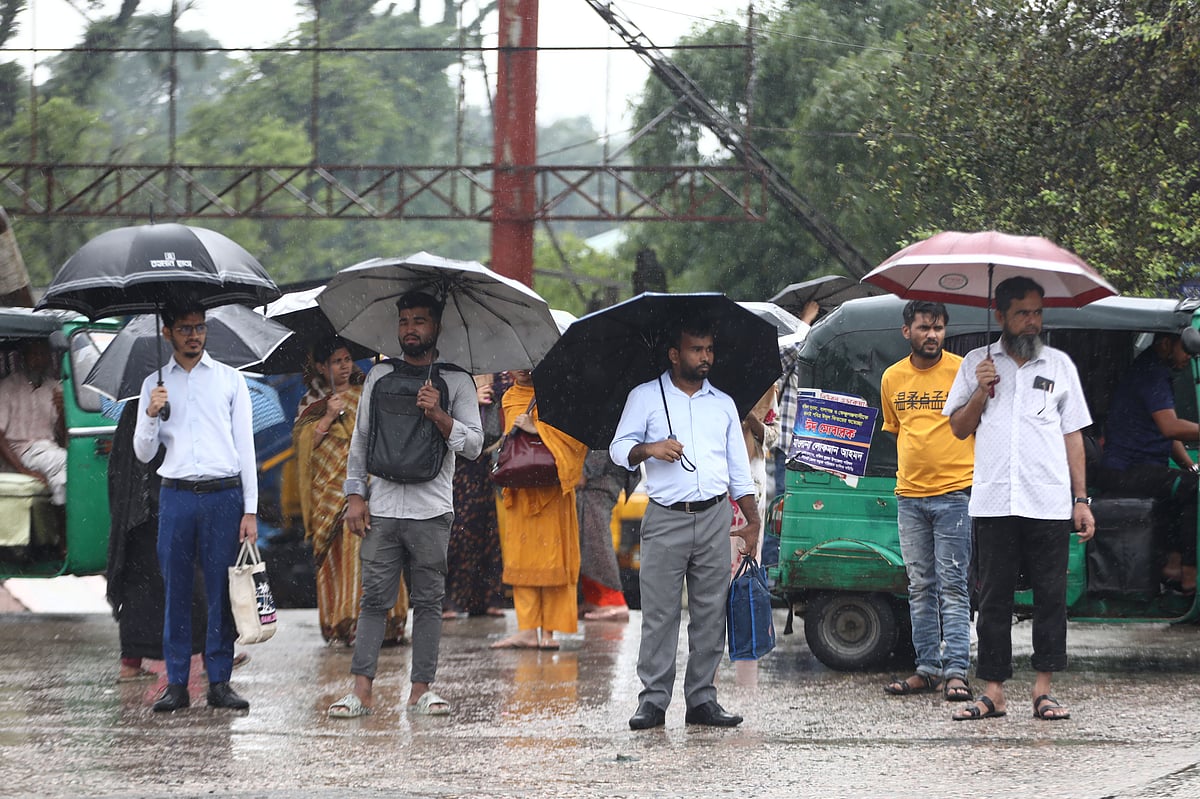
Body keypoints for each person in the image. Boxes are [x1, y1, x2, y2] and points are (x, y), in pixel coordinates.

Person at [944, 276, 1095, 722]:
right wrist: (979, 390)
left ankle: (1043, 691)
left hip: (1048, 502)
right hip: (993, 502)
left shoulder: (1059, 365)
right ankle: (993, 692)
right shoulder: (977, 362)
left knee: (1051, 598)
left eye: (1037, 313)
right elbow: (958, 427)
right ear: (1001, 316)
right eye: (1022, 313)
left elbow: (1073, 435)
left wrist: (1081, 499)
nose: (1032, 322)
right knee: (993, 600)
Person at [327, 291, 483, 718]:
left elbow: (474, 445)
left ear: (437, 328)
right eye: (404, 322)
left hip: (432, 510)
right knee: (373, 601)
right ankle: (361, 690)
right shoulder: (379, 376)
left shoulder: (457, 380)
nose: (410, 329)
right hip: (382, 507)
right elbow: (361, 439)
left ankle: (421, 691)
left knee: (429, 602)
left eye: (419, 321)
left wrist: (440, 415)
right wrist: (355, 494)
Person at [610, 317, 760, 729]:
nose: (706, 357)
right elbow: (618, 449)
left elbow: (737, 469)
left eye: (709, 349)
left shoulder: (723, 403)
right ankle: (653, 702)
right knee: (659, 613)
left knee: (711, 612)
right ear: (675, 355)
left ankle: (702, 700)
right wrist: (650, 448)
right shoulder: (644, 396)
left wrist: (752, 520)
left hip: (714, 515)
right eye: (696, 349)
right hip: (665, 517)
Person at [133, 301, 258, 713]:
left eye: (200, 328)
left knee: (222, 590)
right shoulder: (155, 383)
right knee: (177, 590)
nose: (194, 336)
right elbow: (142, 452)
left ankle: (220, 681)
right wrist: (151, 414)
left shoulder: (229, 380)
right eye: (185, 329)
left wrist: (250, 510)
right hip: (177, 496)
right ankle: (177, 684)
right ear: (167, 332)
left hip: (224, 496)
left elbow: (245, 447)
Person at [879, 300, 975, 702]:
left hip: (956, 494)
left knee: (953, 587)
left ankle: (956, 671)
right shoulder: (892, 377)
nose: (932, 335)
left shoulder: (961, 371)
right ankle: (926, 669)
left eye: (938, 328)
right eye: (923, 327)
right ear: (907, 332)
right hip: (910, 498)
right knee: (920, 587)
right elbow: (897, 429)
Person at [293, 336, 408, 646]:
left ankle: (386, 624)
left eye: (347, 360)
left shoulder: (366, 393)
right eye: (336, 361)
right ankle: (347, 622)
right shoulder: (311, 402)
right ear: (321, 366)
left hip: (369, 484)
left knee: (376, 549)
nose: (344, 366)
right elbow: (305, 450)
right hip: (328, 494)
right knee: (345, 554)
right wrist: (329, 416)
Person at [491, 369, 588, 649]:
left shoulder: (558, 394)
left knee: (553, 562)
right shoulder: (509, 397)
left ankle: (549, 632)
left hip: (552, 493)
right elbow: (510, 440)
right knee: (523, 563)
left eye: (528, 362)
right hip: (521, 491)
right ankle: (528, 629)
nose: (521, 369)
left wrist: (538, 429)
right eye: (515, 363)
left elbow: (575, 441)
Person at [1097, 331, 1199, 592]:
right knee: (1194, 489)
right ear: (1167, 343)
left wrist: (1190, 465)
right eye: (1185, 350)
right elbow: (1170, 427)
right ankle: (1188, 574)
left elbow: (1167, 431)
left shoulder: (1156, 371)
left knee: (1187, 483)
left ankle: (1173, 564)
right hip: (1126, 470)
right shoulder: (1151, 373)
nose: (1189, 357)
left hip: (1143, 468)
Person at [443, 372, 508, 619]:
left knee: (487, 530)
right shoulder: (451, 377)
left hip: (485, 461)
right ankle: (452, 598)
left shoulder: (502, 379)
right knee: (460, 529)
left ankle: (487, 597)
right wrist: (468, 404)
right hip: (458, 464)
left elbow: (496, 427)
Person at [0, 338, 66, 506]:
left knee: (68, 470)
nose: (39, 359)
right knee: (67, 462)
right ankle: (61, 517)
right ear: (24, 358)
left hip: (48, 450)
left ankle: (60, 520)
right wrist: (23, 470)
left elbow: (64, 438)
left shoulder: (55, 388)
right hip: (21, 451)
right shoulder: (8, 387)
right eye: (34, 354)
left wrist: (63, 412)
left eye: (43, 354)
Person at [576, 450, 632, 622]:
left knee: (595, 534)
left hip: (602, 474)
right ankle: (595, 598)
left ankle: (614, 600)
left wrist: (586, 471)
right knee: (587, 532)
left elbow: (601, 439)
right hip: (600, 472)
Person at [773, 300, 820, 498]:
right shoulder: (781, 353)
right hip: (787, 442)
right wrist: (806, 319)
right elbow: (792, 348)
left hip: (810, 443)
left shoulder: (810, 359)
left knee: (805, 498)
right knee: (784, 497)